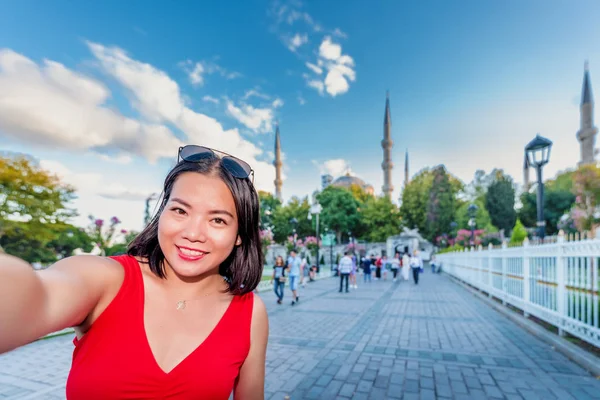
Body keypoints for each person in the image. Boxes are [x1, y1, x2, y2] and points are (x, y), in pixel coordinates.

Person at [0, 145, 268, 399]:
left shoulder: (250, 313)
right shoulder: (106, 279)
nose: (192, 233)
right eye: (180, 210)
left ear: (239, 235)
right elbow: (38, 295)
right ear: (162, 213)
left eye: (218, 220)